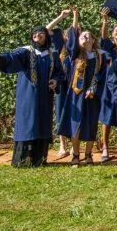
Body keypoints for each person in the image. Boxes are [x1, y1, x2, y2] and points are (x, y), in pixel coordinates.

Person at [0, 26, 65, 167]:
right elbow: (11, 58)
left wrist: (55, 81)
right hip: (28, 96)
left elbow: (60, 73)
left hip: (45, 97)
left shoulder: (52, 54)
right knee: (28, 123)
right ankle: (23, 160)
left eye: (41, 33)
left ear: (46, 36)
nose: (37, 35)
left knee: (42, 124)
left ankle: (39, 159)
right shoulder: (25, 51)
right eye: (35, 33)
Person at [57, 6, 110, 167]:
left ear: (93, 40)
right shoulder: (75, 54)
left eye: (88, 36)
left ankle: (88, 154)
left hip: (93, 95)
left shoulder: (101, 56)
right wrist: (75, 16)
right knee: (76, 124)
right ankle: (75, 154)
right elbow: (72, 36)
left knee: (91, 123)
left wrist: (94, 89)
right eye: (82, 36)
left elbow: (104, 76)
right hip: (76, 93)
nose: (85, 37)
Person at [98, 6, 117, 162]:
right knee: (107, 117)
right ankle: (105, 147)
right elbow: (103, 37)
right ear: (112, 34)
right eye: (116, 31)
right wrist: (105, 21)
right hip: (109, 86)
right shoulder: (108, 46)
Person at [45, 9, 73, 157]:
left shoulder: (81, 47)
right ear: (65, 36)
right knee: (61, 111)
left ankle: (75, 144)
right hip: (61, 84)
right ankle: (62, 144)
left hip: (76, 85)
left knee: (76, 113)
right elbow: (46, 30)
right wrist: (61, 16)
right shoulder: (60, 44)